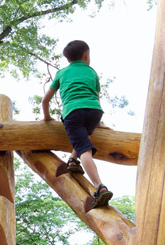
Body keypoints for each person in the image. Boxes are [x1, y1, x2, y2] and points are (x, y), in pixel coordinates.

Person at [41, 39, 112, 212]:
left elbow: (45, 100)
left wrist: (47, 117)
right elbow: (95, 97)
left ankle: (99, 187)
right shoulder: (92, 73)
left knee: (84, 149)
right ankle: (73, 160)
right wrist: (98, 123)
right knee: (83, 135)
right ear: (86, 54)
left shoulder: (62, 73)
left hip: (73, 112)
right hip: (95, 112)